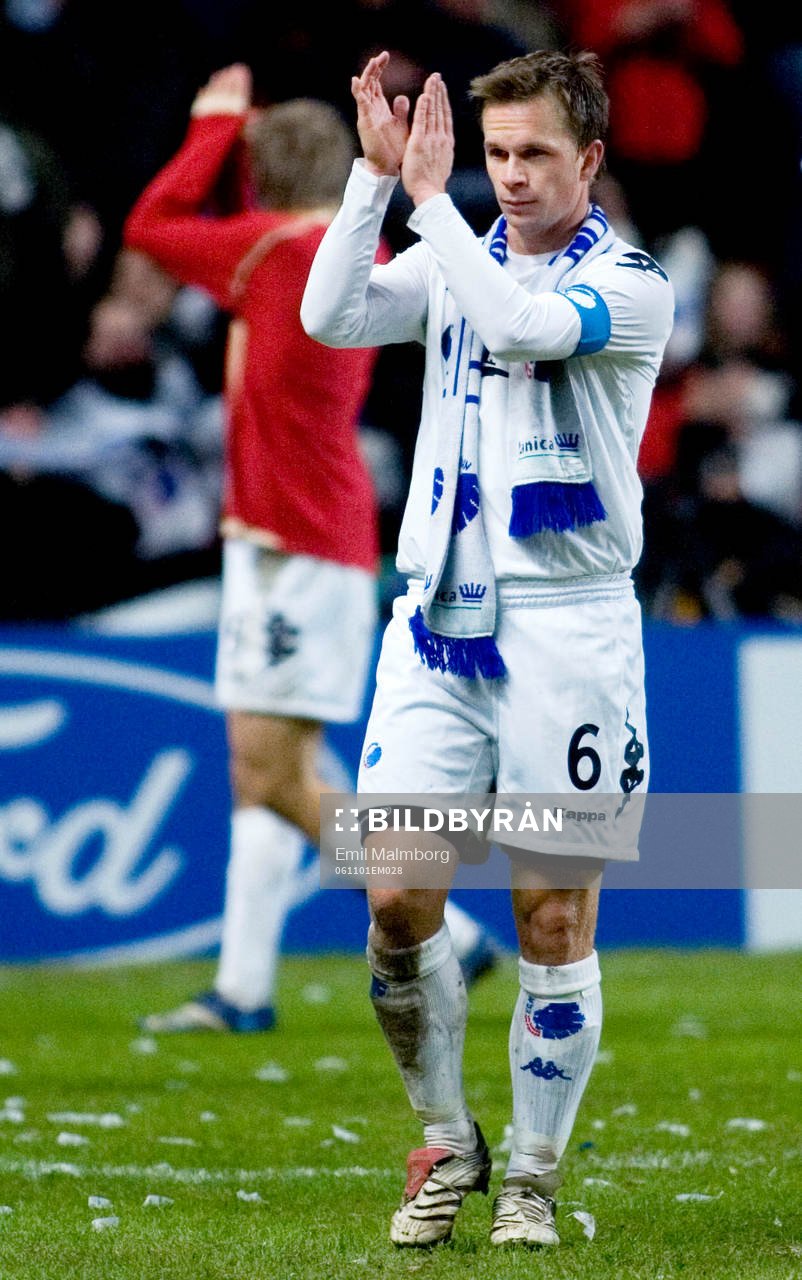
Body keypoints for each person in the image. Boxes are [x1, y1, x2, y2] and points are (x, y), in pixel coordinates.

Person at [301, 48, 674, 1248]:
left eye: (533, 156)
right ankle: (446, 1136)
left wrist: (430, 203)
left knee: (550, 918)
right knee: (397, 889)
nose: (508, 178)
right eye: (496, 153)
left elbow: (519, 319)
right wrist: (371, 185)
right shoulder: (456, 256)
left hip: (570, 625)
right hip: (437, 618)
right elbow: (333, 314)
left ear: (592, 161)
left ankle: (532, 1171)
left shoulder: (630, 283)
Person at [124, 64, 498, 1034]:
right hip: (296, 533)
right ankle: (243, 985)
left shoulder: (274, 246)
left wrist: (210, 127)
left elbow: (151, 227)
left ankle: (448, 923)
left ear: (256, 176)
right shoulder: (328, 244)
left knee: (269, 771)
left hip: (293, 542)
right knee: (277, 765)